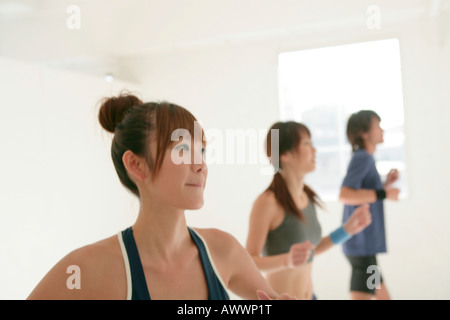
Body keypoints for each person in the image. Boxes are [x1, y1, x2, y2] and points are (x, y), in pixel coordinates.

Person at [27, 92, 294, 300]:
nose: (200, 164)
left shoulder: (223, 250)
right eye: (182, 149)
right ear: (136, 165)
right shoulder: (88, 268)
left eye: (202, 150)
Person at [245, 121, 372, 300]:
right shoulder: (267, 202)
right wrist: (286, 260)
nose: (315, 150)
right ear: (285, 155)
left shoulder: (307, 196)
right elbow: (250, 262)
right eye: (307, 143)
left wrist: (347, 230)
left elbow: (312, 250)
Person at [339, 110, 400, 300]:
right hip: (361, 246)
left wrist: (385, 184)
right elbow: (345, 194)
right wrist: (384, 193)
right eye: (378, 126)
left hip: (363, 247)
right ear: (364, 133)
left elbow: (363, 193)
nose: (382, 130)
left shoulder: (365, 158)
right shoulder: (363, 158)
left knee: (382, 295)